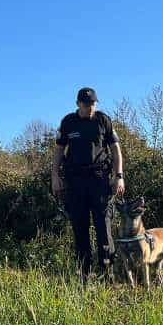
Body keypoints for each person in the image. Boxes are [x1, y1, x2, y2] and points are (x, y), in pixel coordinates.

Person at [51, 87, 125, 282]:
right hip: (75, 181)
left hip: (99, 179)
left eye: (93, 104)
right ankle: (85, 273)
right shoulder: (68, 122)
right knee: (80, 228)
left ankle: (107, 273)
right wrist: (55, 177)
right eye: (86, 104)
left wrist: (119, 175)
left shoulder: (103, 120)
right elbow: (59, 151)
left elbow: (116, 150)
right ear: (78, 104)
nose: (90, 107)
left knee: (104, 227)